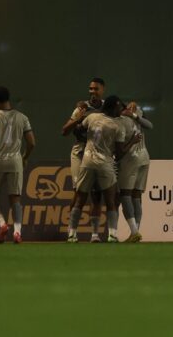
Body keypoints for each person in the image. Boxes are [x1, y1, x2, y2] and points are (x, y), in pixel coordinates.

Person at [67, 96, 141, 243]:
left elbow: (78, 130)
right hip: (105, 165)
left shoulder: (92, 117)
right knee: (111, 201)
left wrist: (87, 137)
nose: (121, 110)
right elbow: (119, 153)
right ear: (112, 108)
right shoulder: (117, 126)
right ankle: (112, 235)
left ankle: (71, 234)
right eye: (119, 107)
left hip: (87, 162)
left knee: (80, 199)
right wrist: (132, 141)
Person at [0, 86, 36, 244]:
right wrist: (25, 157)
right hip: (15, 162)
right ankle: (17, 233)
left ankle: (3, 224)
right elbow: (31, 143)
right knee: (15, 199)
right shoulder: (22, 118)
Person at [61, 77, 106, 242]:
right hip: (80, 151)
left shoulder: (107, 107)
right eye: (90, 89)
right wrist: (77, 120)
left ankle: (95, 234)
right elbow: (64, 131)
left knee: (96, 193)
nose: (92, 91)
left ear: (103, 90)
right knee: (79, 192)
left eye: (96, 89)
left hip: (98, 152)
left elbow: (123, 111)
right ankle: (72, 231)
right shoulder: (81, 108)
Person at [117, 101, 153, 242]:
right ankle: (136, 232)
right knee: (136, 196)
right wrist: (135, 115)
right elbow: (149, 125)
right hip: (144, 158)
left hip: (130, 159)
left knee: (125, 194)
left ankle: (134, 231)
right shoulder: (136, 115)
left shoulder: (121, 120)